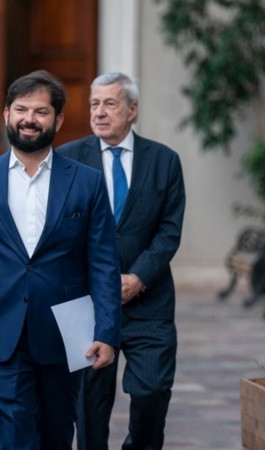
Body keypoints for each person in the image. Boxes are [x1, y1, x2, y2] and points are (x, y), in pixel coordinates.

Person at [0, 70, 121, 450]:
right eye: (21, 109)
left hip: (67, 331)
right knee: (12, 432)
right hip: (1, 327)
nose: (29, 119)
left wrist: (107, 332)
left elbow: (104, 264)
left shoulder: (87, 182)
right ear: (6, 113)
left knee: (57, 433)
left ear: (58, 120)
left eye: (41, 112)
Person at [57, 72, 186, 450]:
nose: (99, 112)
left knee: (152, 391)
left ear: (132, 110)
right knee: (89, 405)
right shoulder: (67, 160)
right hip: (89, 303)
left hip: (149, 301)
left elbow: (169, 231)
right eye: (94, 104)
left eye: (109, 104)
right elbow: (60, 230)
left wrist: (138, 278)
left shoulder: (164, 161)